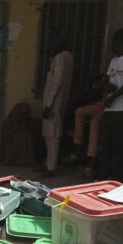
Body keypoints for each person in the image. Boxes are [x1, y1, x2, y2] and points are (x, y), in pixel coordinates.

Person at [91, 28, 123, 180]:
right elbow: (108, 79)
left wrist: (114, 96)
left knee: (118, 146)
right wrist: (105, 85)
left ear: (120, 41)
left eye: (113, 41)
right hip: (110, 109)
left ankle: (118, 179)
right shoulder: (113, 60)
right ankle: (103, 178)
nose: (111, 44)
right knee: (105, 146)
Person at [40, 29, 74, 176]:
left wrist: (48, 105)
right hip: (59, 101)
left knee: (51, 135)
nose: (51, 44)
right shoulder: (68, 57)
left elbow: (56, 82)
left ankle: (51, 168)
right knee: (52, 134)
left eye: (54, 41)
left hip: (53, 102)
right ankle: (49, 163)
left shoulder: (60, 58)